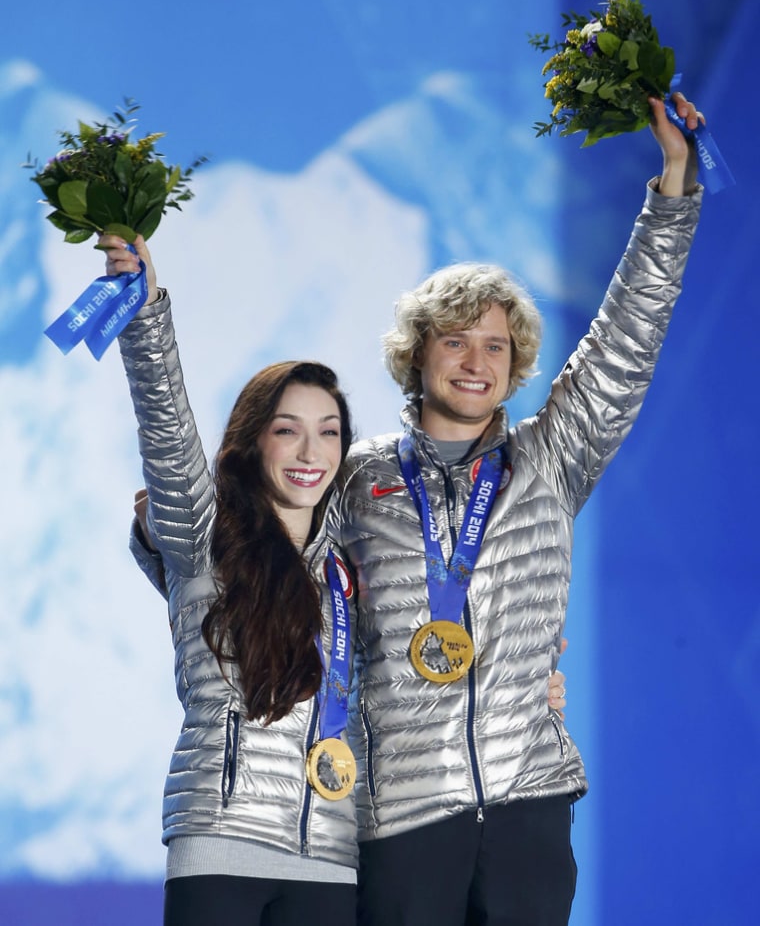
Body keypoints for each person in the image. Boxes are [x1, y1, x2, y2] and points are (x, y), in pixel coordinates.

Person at [328, 92, 704, 925]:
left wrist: (672, 187)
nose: (476, 361)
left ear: (516, 362)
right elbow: (264, 576)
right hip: (400, 815)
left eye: (495, 344)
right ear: (416, 354)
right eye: (455, 340)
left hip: (529, 805)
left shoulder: (549, 458)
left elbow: (626, 339)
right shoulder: (353, 480)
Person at [98, 237, 359, 926]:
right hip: (220, 846)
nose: (312, 453)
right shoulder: (204, 535)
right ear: (252, 441)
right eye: (288, 430)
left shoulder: (352, 571)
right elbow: (165, 424)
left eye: (329, 432)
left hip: (335, 854)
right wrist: (144, 306)